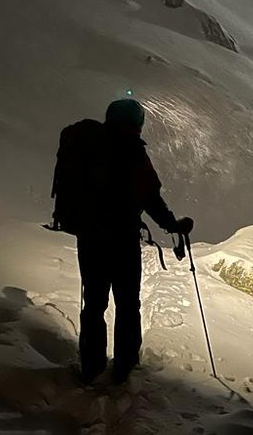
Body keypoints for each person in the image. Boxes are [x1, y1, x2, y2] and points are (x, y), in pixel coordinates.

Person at [52, 98, 192, 385]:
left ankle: (91, 366)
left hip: (90, 238)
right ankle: (125, 367)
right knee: (128, 303)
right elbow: (151, 198)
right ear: (137, 124)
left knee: (94, 303)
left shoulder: (86, 145)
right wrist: (172, 225)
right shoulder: (133, 151)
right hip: (122, 239)